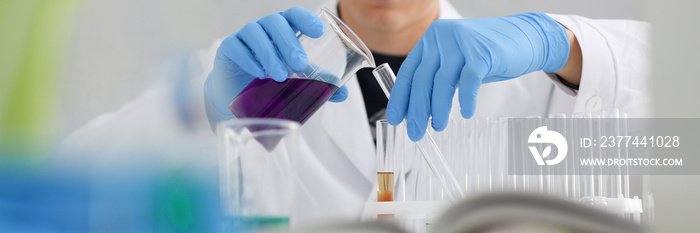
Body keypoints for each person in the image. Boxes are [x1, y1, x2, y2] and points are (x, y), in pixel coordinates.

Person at [62, 0, 650, 227]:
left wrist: (564, 44)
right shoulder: (252, 69)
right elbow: (60, 194)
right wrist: (205, 111)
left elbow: (680, 148)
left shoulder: (541, 76)